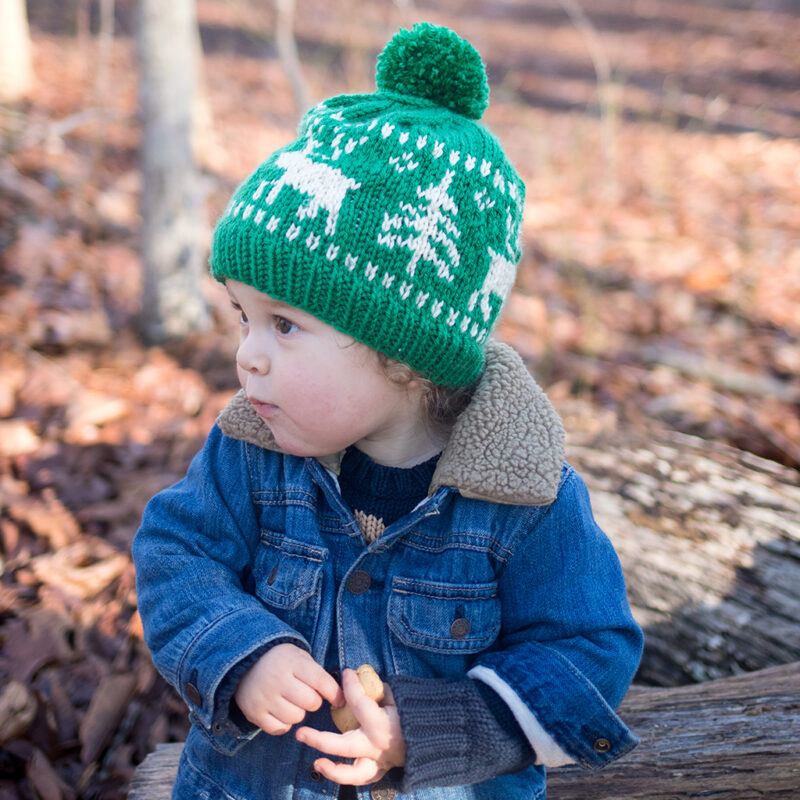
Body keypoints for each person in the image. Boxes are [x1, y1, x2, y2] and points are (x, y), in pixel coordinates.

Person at [132, 22, 643, 800]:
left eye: (286, 325)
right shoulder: (250, 451)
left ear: (404, 355)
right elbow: (176, 554)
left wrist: (434, 730)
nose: (248, 355)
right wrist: (242, 653)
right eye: (244, 317)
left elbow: (589, 647)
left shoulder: (523, 498)